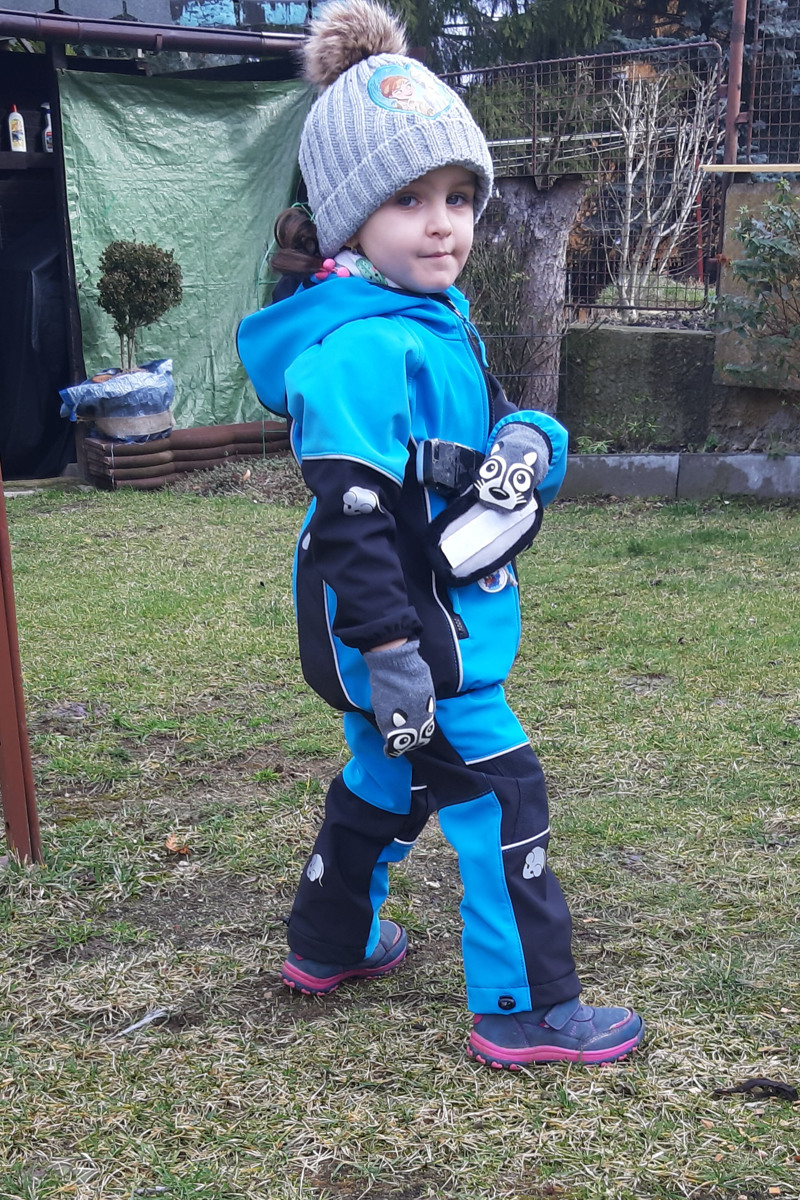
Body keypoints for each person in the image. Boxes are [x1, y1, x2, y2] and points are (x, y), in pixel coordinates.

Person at [237, 0, 644, 1070]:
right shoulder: (361, 348)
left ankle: (329, 943)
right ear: (345, 221)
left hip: (412, 632)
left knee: (388, 779)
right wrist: (391, 654)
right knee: (502, 794)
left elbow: (478, 435)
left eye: (458, 196)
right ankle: (524, 1007)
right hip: (414, 640)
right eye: (408, 199)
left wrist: (530, 439)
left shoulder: (429, 319)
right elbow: (352, 515)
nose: (443, 224)